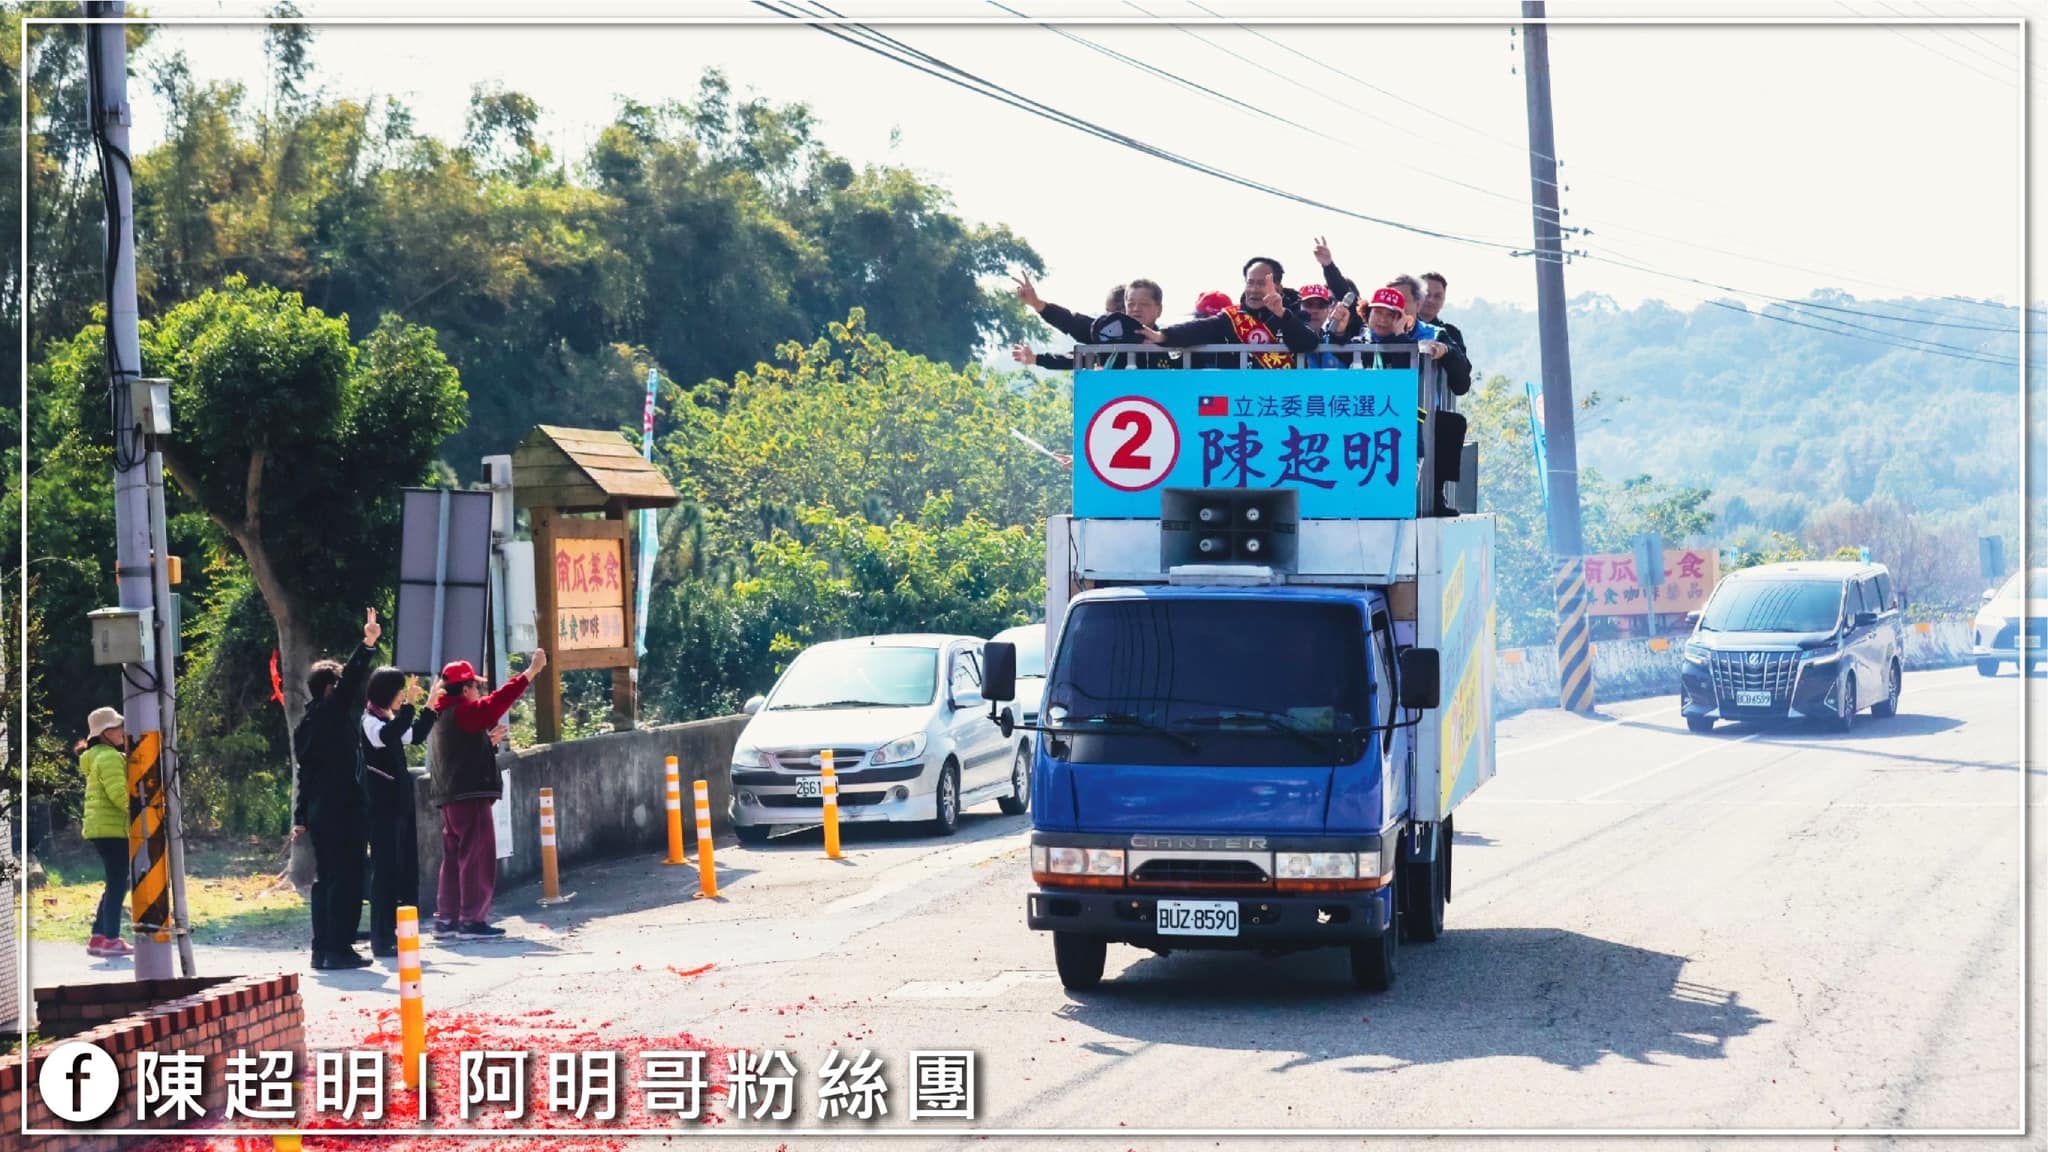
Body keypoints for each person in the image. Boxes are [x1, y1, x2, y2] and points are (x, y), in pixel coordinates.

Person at [429, 649, 546, 939]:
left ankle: (447, 919)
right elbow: (496, 703)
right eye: (476, 686)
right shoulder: (463, 711)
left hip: (450, 797)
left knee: (454, 859)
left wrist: (487, 743)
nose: (480, 691)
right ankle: (472, 920)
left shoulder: (442, 712)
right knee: (476, 858)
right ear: (466, 688)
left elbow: (460, 750)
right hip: (469, 796)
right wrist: (529, 673)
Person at [293, 608, 382, 971]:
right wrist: (367, 645)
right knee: (346, 878)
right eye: (342, 683)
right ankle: (340, 947)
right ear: (331, 688)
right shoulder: (333, 713)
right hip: (343, 808)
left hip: (318, 809)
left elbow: (305, 774)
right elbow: (351, 681)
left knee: (325, 878)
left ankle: (322, 948)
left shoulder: (306, 724)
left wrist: (300, 816)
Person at [361, 667, 437, 960]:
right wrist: (408, 709)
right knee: (385, 875)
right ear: (386, 693)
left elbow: (413, 735)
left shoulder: (389, 718)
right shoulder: (370, 722)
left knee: (404, 871)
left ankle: (400, 932)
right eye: (399, 691)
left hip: (400, 807)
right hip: (382, 809)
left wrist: (428, 707)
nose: (402, 697)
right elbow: (386, 736)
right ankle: (381, 938)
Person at [1141, 258, 1318, 366]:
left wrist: (1281, 314)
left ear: (1278, 287)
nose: (1254, 289)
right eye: (1250, 283)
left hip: (1280, 401)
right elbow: (1197, 329)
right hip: (1238, 403)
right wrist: (1162, 336)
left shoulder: (1293, 315)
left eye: (1261, 283)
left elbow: (1309, 343)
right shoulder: (1231, 317)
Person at [77, 707, 133, 959]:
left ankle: (99, 935)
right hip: (113, 829)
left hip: (101, 828)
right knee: (120, 881)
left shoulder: (96, 756)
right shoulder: (109, 758)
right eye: (117, 727)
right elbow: (120, 796)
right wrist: (147, 809)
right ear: (104, 733)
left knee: (116, 880)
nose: (122, 731)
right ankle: (111, 939)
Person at [1418, 271, 1466, 355]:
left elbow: (1464, 367)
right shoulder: (1400, 329)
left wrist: (1444, 349)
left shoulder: (1451, 333)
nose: (1431, 300)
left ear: (1443, 300)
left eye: (1437, 296)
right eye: (1426, 294)